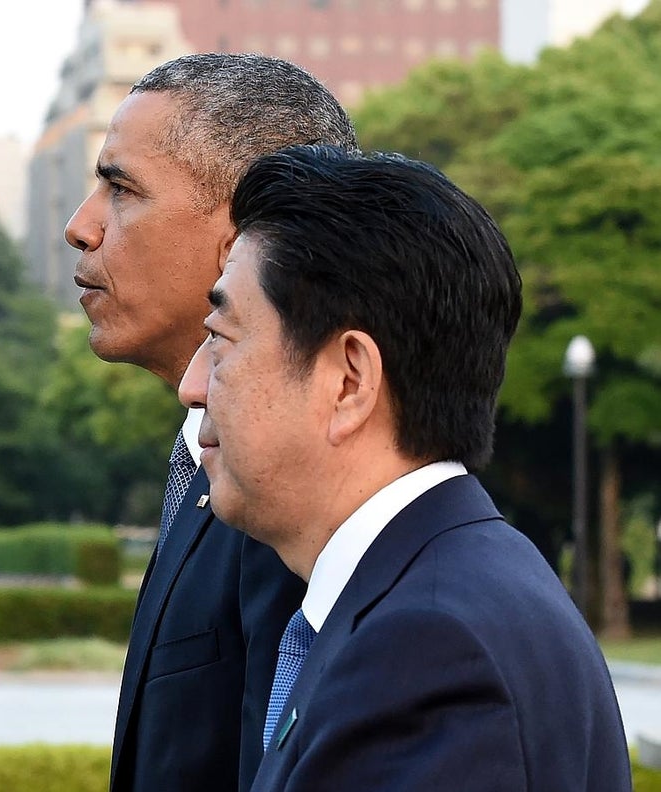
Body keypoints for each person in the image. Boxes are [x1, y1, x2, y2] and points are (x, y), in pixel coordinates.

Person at [179, 145, 632, 791]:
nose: (194, 386)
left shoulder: (430, 647)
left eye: (221, 339)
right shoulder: (442, 587)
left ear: (349, 381)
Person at [64, 54, 357, 792]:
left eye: (121, 189)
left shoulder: (295, 495)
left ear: (242, 239)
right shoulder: (208, 465)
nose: (81, 227)